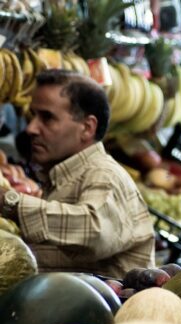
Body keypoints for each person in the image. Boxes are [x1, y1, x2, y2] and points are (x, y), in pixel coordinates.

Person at [0, 70, 155, 279]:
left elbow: (95, 231)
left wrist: (10, 202)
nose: (31, 128)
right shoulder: (62, 179)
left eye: (47, 118)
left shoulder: (104, 174)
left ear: (87, 128)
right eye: (32, 116)